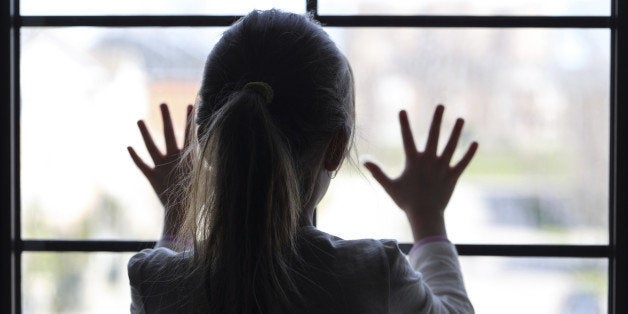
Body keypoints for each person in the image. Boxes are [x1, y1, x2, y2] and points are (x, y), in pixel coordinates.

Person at [127, 9, 478, 314]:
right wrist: (427, 216)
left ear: (204, 141)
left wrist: (177, 212)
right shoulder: (371, 274)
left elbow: (170, 284)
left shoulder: (151, 280)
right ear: (336, 147)